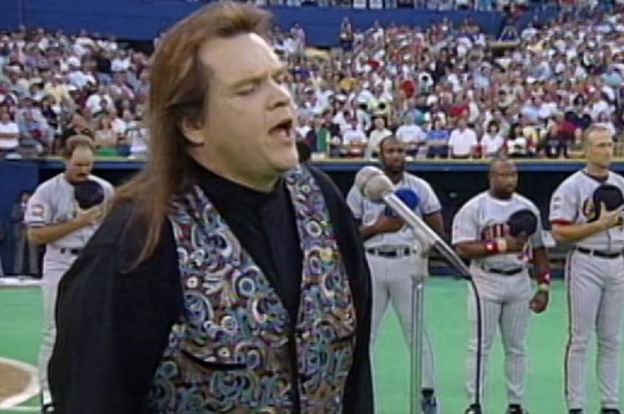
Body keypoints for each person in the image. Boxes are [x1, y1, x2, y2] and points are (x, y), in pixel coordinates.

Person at [48, 3, 373, 413]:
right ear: (192, 124)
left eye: (278, 78)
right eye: (249, 88)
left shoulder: (323, 203)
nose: (281, 97)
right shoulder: (139, 239)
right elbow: (91, 396)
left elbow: (355, 381)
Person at [548, 125, 624, 414]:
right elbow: (560, 233)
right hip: (585, 260)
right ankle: (576, 405)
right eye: (601, 145)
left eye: (610, 145)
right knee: (580, 337)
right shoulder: (571, 186)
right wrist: (599, 225)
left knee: (612, 338)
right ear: (586, 150)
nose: (607, 150)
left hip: (615, 261)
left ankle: (610, 404)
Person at [347, 135, 443, 414]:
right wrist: (377, 228)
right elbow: (350, 233)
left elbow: (437, 227)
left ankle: (427, 394)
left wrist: (420, 242)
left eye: (401, 150)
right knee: (366, 332)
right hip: (372, 260)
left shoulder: (419, 187)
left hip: (406, 262)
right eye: (390, 151)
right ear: (380, 154)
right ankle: (357, 395)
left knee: (416, 331)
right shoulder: (362, 189)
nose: (396, 156)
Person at [452, 158, 551, 414]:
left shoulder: (527, 207)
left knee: (517, 346)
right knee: (479, 346)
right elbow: (462, 246)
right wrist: (500, 245)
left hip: (519, 278)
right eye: (503, 175)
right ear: (491, 177)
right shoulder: (475, 208)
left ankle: (516, 404)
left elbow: (539, 248)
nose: (509, 180)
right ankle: (474, 404)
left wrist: (543, 286)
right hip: (485, 278)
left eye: (513, 175)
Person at [24, 135, 114, 412]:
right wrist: (80, 222)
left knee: (99, 329)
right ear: (65, 160)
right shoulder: (47, 191)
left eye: (88, 165)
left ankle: (92, 392)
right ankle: (50, 396)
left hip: (93, 261)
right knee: (55, 330)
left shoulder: (105, 189)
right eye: (78, 165)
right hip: (60, 261)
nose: (84, 170)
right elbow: (36, 235)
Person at [11, 190, 39, 276]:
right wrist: (23, 212)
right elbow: (13, 217)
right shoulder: (17, 206)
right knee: (19, 251)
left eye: (28, 196)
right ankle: (17, 270)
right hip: (21, 230)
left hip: (31, 230)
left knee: (33, 251)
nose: (26, 197)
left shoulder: (34, 207)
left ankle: (34, 271)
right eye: (24, 196)